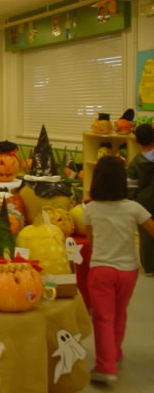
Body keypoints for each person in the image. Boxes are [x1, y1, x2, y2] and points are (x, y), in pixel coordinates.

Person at [82, 156, 154, 384]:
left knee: (103, 317)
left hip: (101, 269)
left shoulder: (91, 209)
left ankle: (105, 367)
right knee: (119, 314)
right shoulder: (134, 208)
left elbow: (90, 238)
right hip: (128, 271)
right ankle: (115, 354)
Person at [127, 124, 154, 276]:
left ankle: (150, 268)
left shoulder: (135, 163)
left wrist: (132, 201)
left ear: (137, 141)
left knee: (146, 235)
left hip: (143, 204)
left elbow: (131, 187)